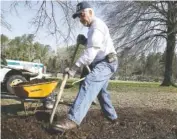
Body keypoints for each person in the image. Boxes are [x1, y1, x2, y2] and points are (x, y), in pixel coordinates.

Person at [52, 1, 118, 132]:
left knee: (90, 82)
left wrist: (73, 69)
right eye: (79, 17)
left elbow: (90, 53)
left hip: (107, 63)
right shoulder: (92, 28)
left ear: (91, 12)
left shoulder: (97, 27)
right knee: (101, 92)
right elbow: (96, 45)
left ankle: (73, 119)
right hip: (101, 62)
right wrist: (85, 41)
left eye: (82, 15)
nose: (81, 19)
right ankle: (112, 118)